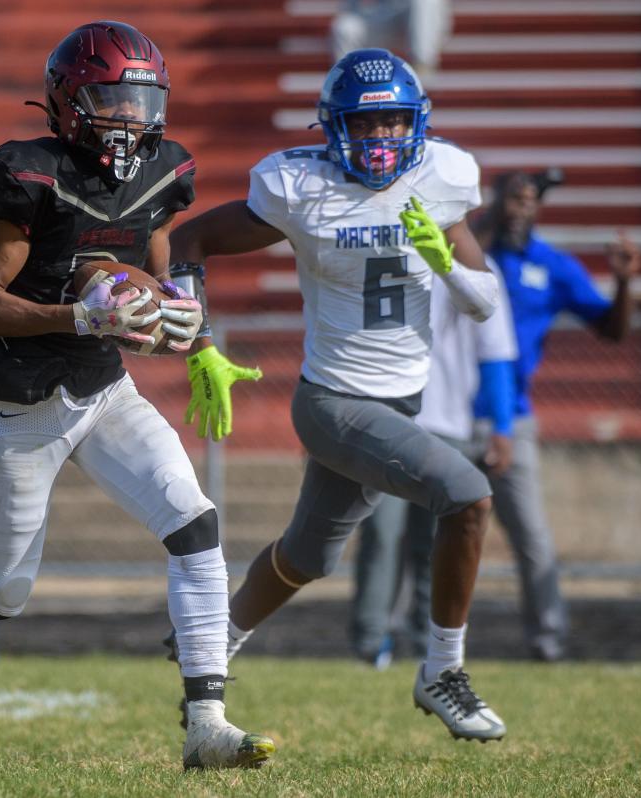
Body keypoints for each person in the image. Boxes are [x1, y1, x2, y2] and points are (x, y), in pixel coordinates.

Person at [0, 21, 274, 769]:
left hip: (102, 388)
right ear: (70, 100)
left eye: (141, 98)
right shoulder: (28, 175)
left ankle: (206, 722)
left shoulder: (165, 168)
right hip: (17, 405)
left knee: (195, 523)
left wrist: (192, 329)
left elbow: (159, 253)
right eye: (111, 97)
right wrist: (77, 314)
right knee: (1, 593)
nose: (129, 116)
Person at [167, 48, 506, 742]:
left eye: (392, 123)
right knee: (467, 496)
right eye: (365, 123)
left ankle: (212, 643)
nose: (381, 139)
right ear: (334, 126)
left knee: (307, 556)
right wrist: (200, 343)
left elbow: (485, 303)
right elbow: (189, 238)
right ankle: (441, 669)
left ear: (416, 124)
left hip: (401, 402)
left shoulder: (443, 177)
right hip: (333, 403)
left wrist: (447, 266)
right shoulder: (301, 185)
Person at [470, 170, 641, 662]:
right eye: (511, 199)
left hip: (512, 420)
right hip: (445, 417)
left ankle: (548, 642)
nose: (520, 209)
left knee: (532, 540)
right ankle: (409, 641)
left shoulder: (552, 266)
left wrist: (625, 280)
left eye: (529, 201)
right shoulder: (467, 251)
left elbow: (611, 329)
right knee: (423, 537)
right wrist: (490, 220)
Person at [350, 261, 518, 666]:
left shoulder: (476, 264)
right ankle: (371, 642)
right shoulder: (380, 248)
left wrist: (503, 425)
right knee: (381, 532)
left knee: (437, 541)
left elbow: (494, 351)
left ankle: (431, 644)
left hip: (448, 425)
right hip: (386, 421)